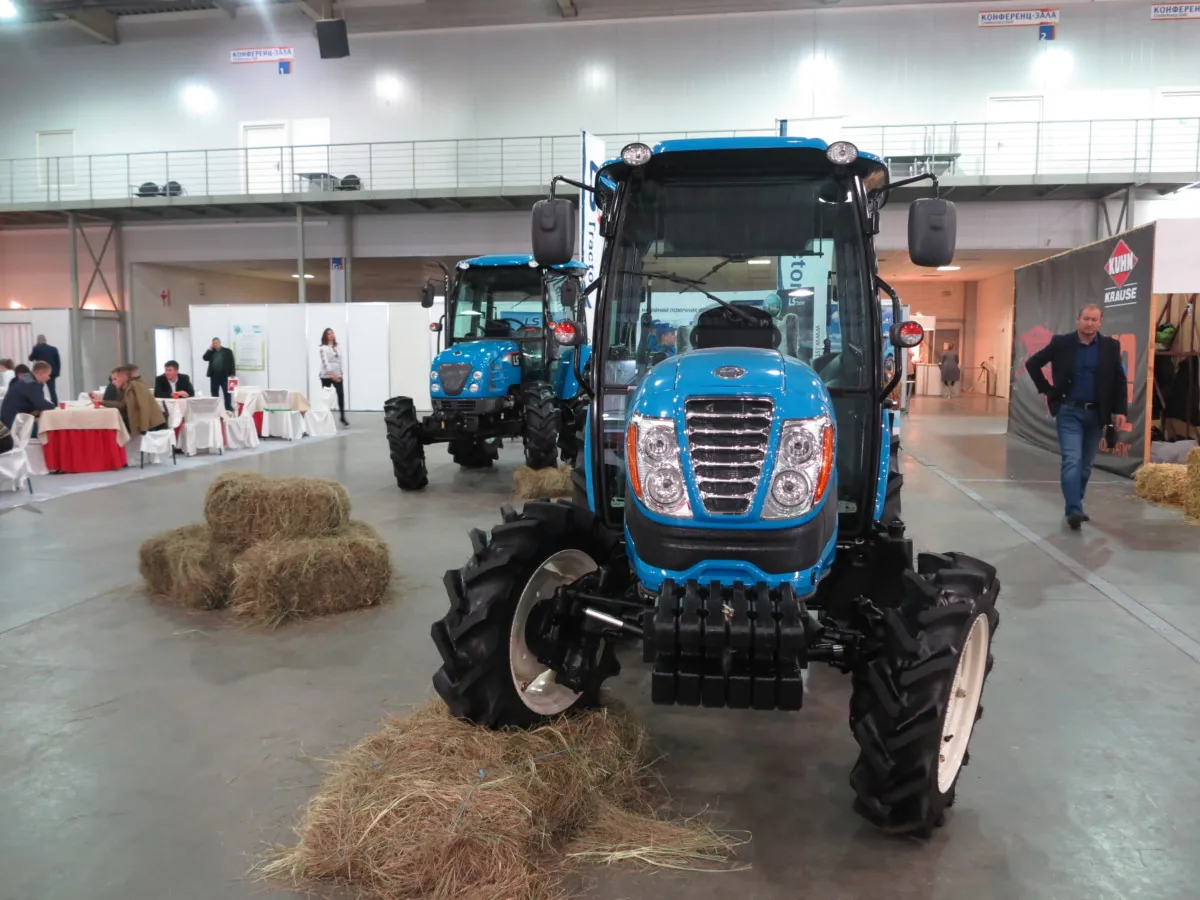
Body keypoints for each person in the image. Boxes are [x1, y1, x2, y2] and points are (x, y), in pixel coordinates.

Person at [1025, 304, 1128, 531]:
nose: (1089, 323)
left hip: (1097, 414)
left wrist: (1120, 410)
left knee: (1086, 465)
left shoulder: (1110, 346)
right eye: (1086, 319)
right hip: (1069, 411)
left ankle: (1076, 504)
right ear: (1078, 319)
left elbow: (1119, 380)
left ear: (1100, 322)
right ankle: (1073, 511)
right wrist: (1048, 390)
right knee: (1072, 459)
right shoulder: (1062, 343)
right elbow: (1032, 363)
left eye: (1094, 320)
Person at [94, 365, 167, 437]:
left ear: (124, 378)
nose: (112, 382)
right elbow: (122, 405)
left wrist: (143, 428)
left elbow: (144, 406)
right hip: (145, 425)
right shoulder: (125, 388)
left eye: (115, 379)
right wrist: (102, 402)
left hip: (153, 425)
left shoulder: (136, 385)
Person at [1, 361, 55, 430]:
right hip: (15, 422)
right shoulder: (31, 384)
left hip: (12, 417)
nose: (49, 378)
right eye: (48, 375)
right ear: (40, 373)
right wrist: (54, 407)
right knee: (47, 428)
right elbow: (41, 403)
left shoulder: (27, 381)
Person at [318, 328, 349, 427]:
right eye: (328, 334)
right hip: (326, 375)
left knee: (340, 394)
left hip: (337, 374)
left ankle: (342, 416)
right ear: (325, 336)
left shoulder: (338, 347)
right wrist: (331, 375)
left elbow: (340, 361)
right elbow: (325, 362)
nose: (331, 335)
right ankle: (324, 418)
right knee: (326, 397)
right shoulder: (323, 348)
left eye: (332, 333)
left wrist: (341, 374)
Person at [203, 337, 236, 411]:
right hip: (214, 376)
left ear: (220, 342)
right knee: (214, 392)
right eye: (214, 343)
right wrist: (209, 349)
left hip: (225, 375)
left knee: (227, 392)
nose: (215, 344)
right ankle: (216, 408)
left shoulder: (227, 351)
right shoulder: (211, 352)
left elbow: (232, 362)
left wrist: (232, 373)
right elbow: (205, 358)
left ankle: (228, 407)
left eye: (217, 343)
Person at [28, 335, 62, 405]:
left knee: (39, 390)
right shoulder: (53, 349)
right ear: (45, 340)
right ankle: (55, 405)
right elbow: (58, 361)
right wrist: (57, 372)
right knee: (52, 391)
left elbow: (31, 358)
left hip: (40, 373)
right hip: (51, 373)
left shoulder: (37, 348)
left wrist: (35, 347)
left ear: (38, 340)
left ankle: (41, 404)